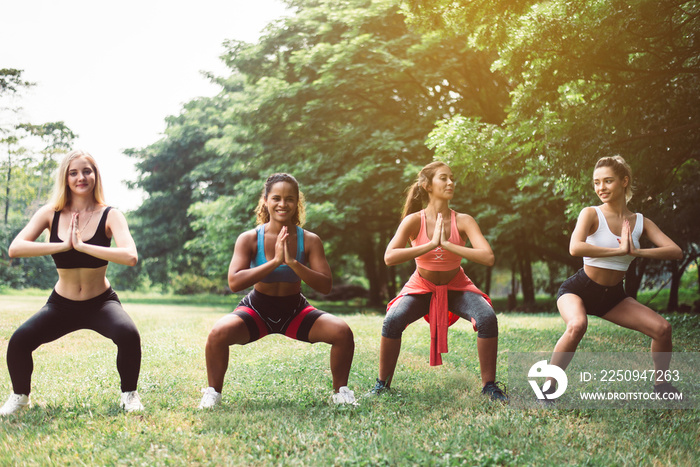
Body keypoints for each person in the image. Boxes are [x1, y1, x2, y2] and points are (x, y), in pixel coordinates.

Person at [1, 149, 143, 416]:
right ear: (65, 178)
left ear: (95, 175)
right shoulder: (50, 213)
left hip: (100, 302)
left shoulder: (110, 215)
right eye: (73, 172)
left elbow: (130, 256)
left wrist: (83, 247)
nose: (81, 177)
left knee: (128, 334)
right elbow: (15, 248)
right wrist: (63, 244)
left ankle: (129, 395)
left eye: (87, 171)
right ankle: (20, 397)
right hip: (61, 304)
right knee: (20, 340)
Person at [200, 173, 356, 408]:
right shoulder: (249, 238)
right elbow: (234, 282)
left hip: (295, 310)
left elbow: (325, 285)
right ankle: (213, 393)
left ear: (297, 203)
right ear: (265, 200)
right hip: (257, 310)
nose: (283, 204)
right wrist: (274, 262)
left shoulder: (311, 240)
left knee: (342, 332)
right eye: (276, 198)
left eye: (289, 199)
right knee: (218, 334)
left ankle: (341, 392)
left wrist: (293, 262)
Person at [545, 156, 683, 397]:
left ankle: (661, 386)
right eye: (597, 182)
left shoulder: (640, 222)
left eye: (608, 181)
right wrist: (618, 251)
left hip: (613, 297)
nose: (601, 188)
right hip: (578, 289)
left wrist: (637, 251)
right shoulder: (590, 214)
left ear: (624, 181)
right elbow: (575, 248)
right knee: (577, 325)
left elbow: (676, 251)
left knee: (662, 329)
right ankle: (548, 387)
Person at [368, 161, 506, 401]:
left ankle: (489, 386)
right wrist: (430, 245)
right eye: (444, 178)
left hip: (457, 286)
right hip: (422, 285)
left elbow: (488, 257)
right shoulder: (413, 221)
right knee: (392, 320)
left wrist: (449, 244)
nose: (451, 182)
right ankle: (382, 384)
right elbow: (389, 257)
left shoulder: (463, 220)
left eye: (452, 178)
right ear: (427, 185)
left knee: (487, 318)